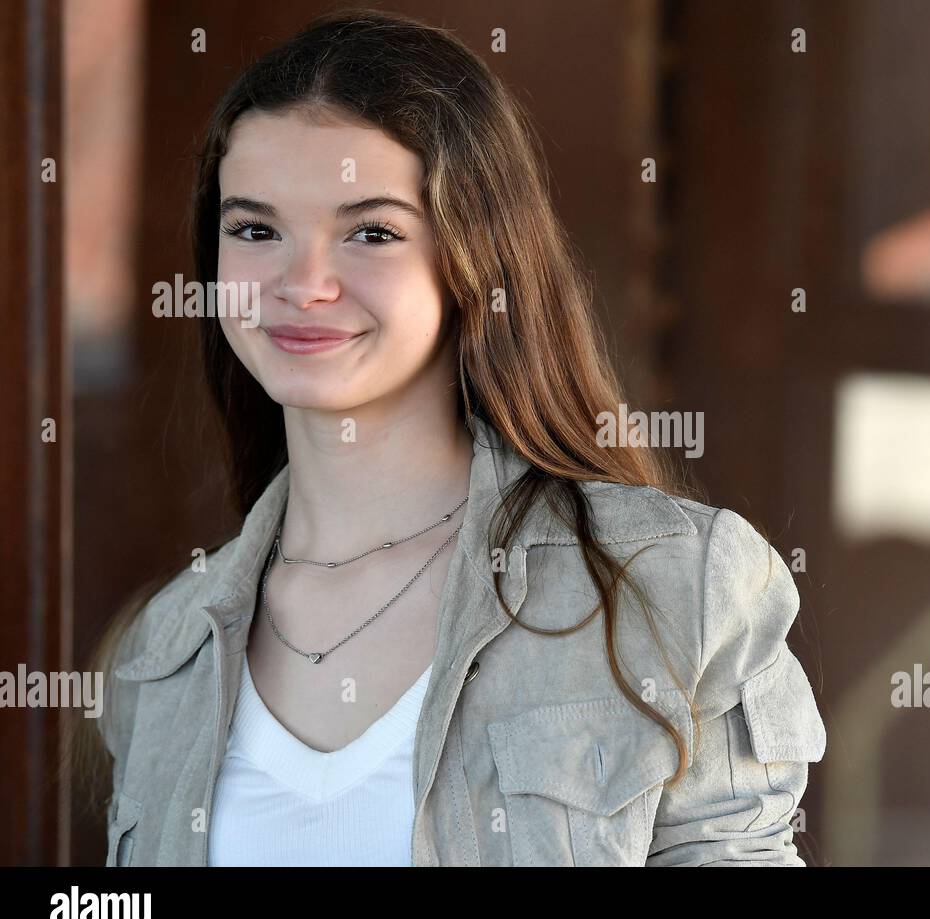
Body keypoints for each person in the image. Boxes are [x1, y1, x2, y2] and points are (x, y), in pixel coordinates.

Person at [86, 8, 826, 867]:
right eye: (256, 230)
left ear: (475, 259)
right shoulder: (166, 653)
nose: (303, 284)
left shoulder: (675, 591)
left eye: (371, 231)